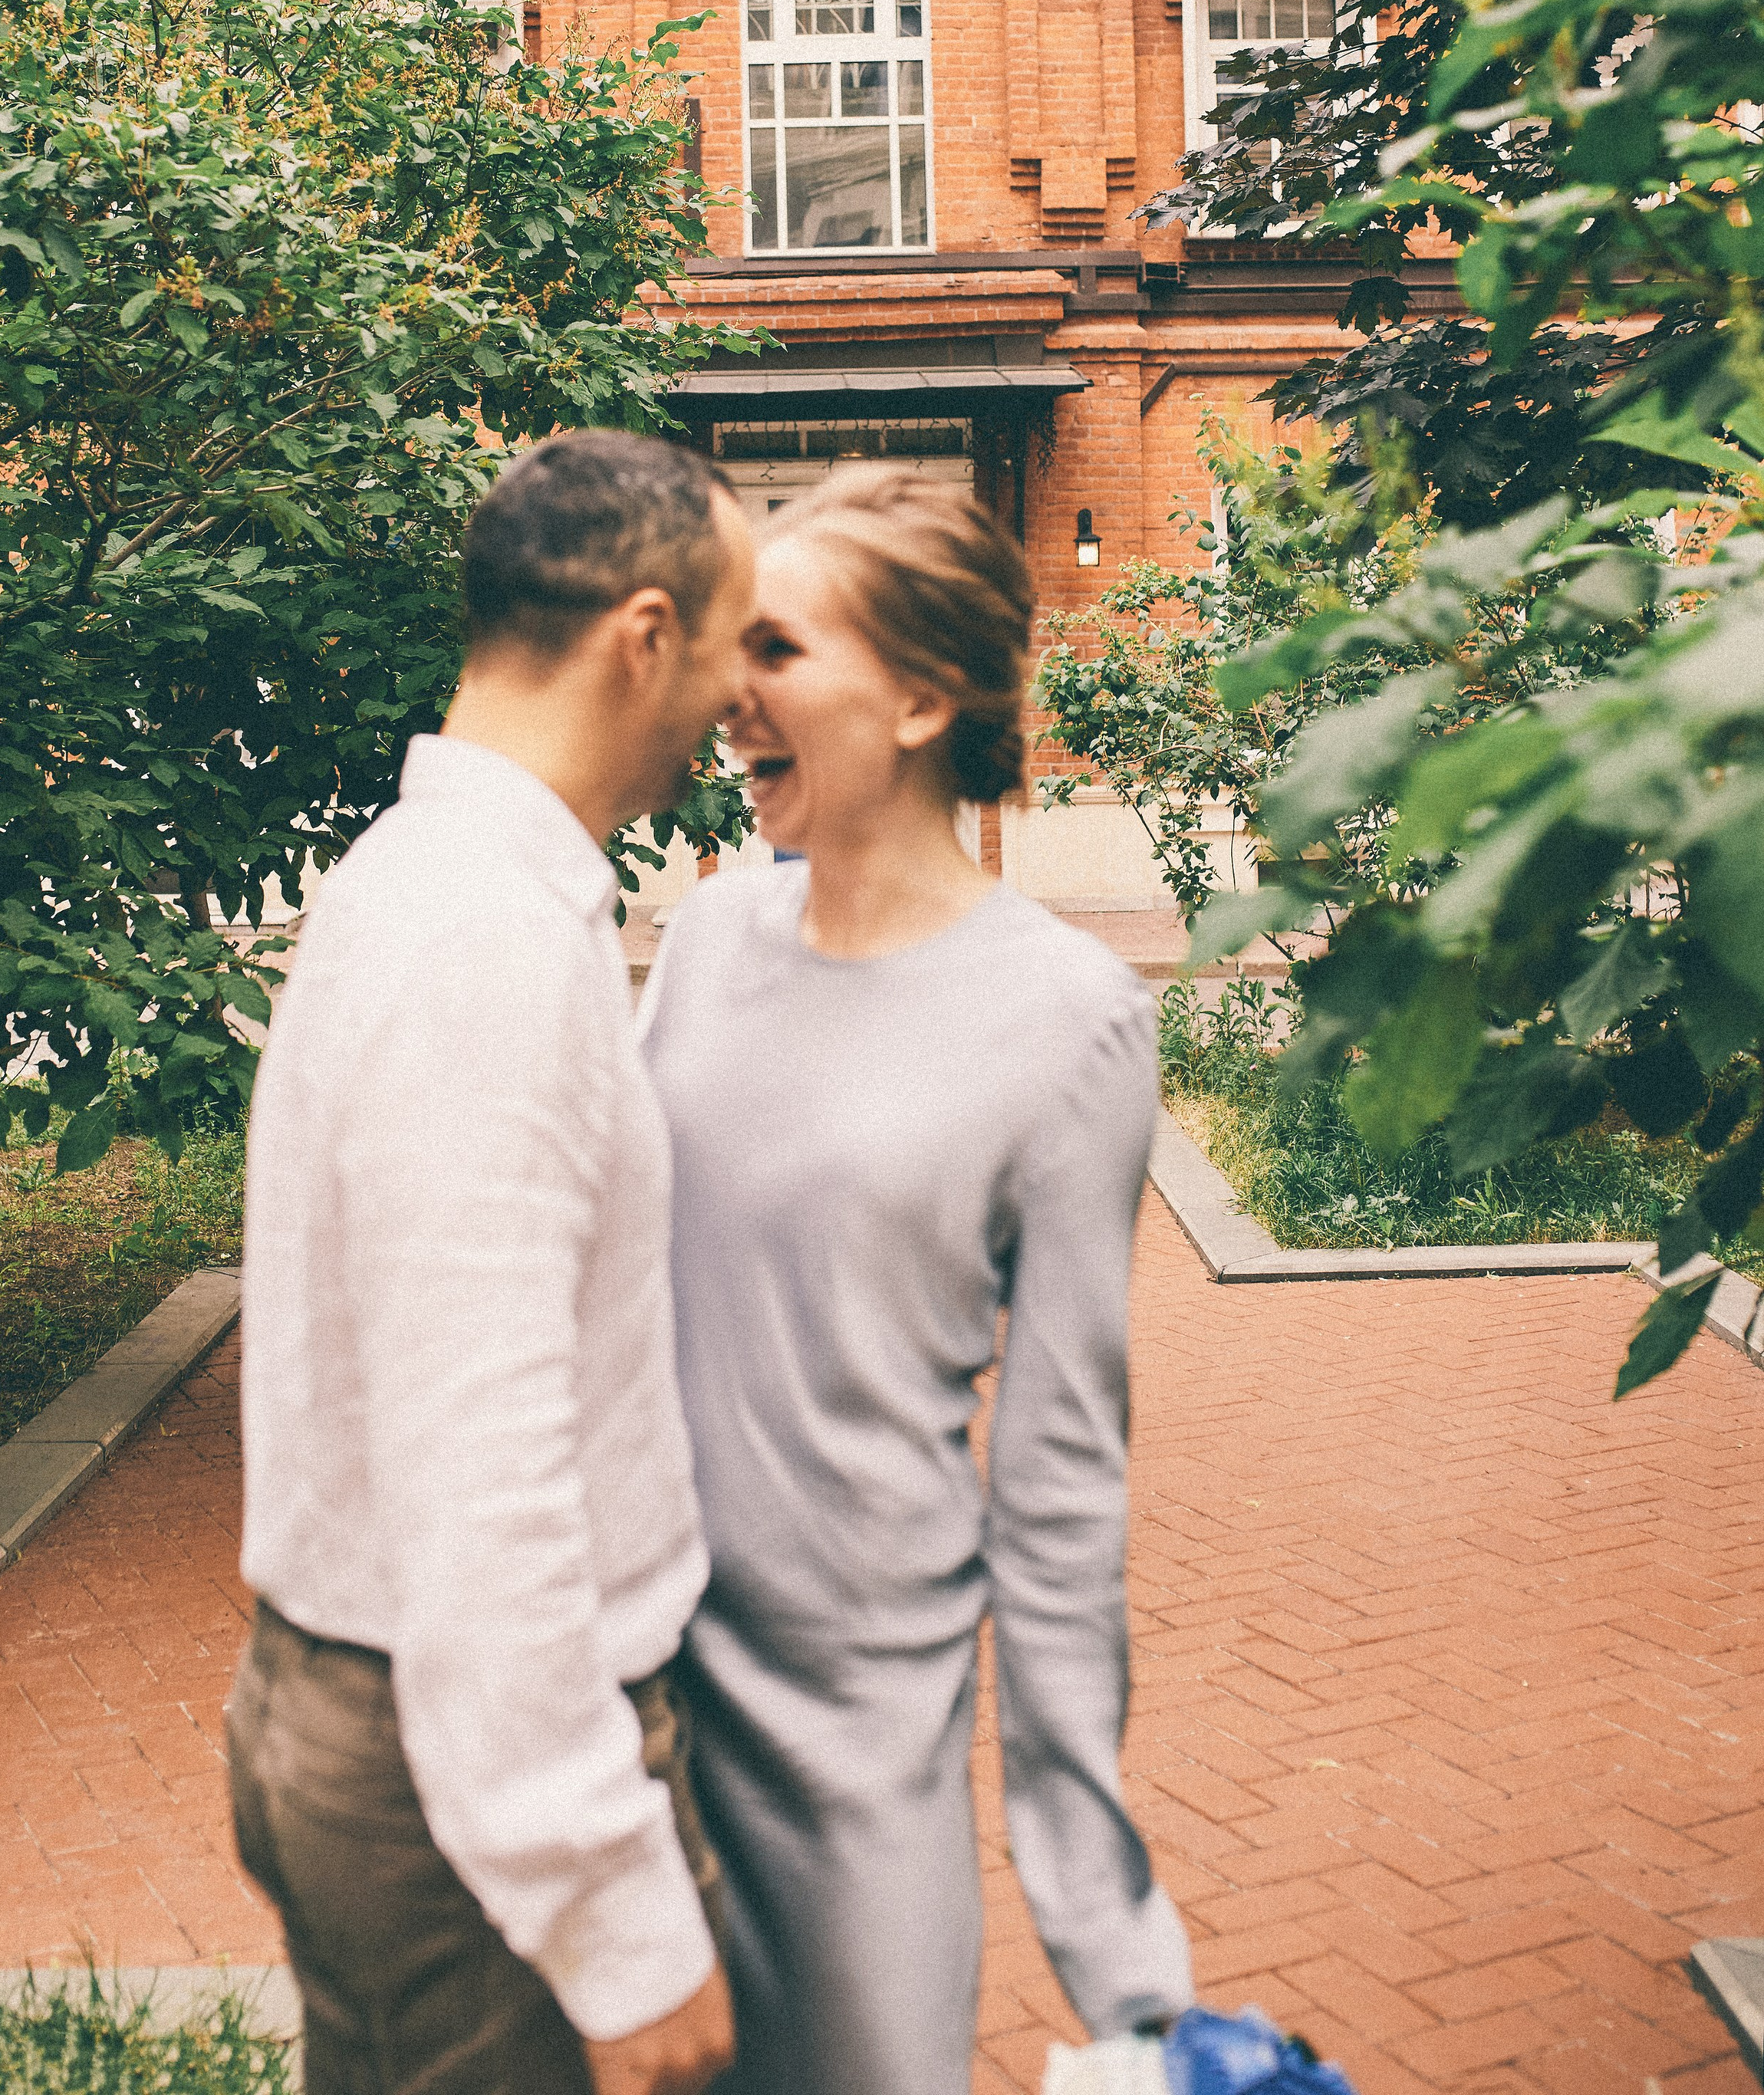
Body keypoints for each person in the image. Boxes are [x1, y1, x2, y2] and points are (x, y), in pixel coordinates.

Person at [640, 464, 1193, 2095]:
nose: (729, 693)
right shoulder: (704, 945)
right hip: (634, 1700)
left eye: (776, 651)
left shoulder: (1071, 1020)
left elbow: (1061, 1485)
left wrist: (1112, 1956)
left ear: (921, 699)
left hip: (852, 1728)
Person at [229, 430, 755, 2095]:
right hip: (461, 1788)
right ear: (645, 636)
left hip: (395, 1734)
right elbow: (482, 1468)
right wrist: (610, 1912)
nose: (740, 696)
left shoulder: (440, 885)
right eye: (733, 642)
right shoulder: (484, 946)